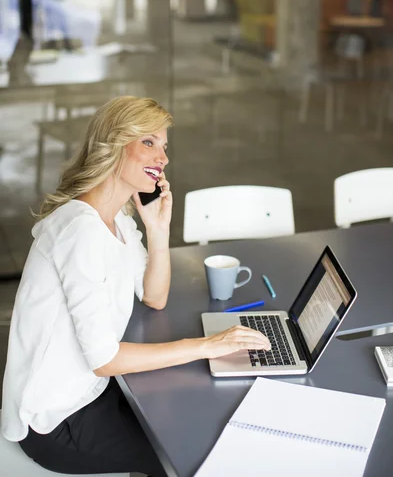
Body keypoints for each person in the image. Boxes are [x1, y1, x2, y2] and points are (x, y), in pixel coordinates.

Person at [1, 96, 270, 476]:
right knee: (188, 454)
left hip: (91, 393)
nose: (162, 157)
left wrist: (157, 230)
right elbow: (104, 360)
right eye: (148, 142)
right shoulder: (81, 231)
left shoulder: (118, 219)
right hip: (54, 419)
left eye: (163, 146)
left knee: (190, 417)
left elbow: (154, 297)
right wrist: (207, 346)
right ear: (113, 144)